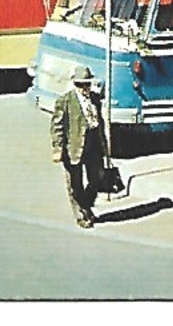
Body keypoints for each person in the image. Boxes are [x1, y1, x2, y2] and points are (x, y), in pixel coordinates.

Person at [50, 65, 108, 228]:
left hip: (93, 144)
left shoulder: (95, 99)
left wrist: (105, 145)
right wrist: (57, 149)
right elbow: (57, 126)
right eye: (80, 85)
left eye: (87, 84)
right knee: (75, 184)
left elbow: (101, 123)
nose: (85, 89)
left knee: (97, 178)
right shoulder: (65, 101)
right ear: (75, 84)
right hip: (73, 147)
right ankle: (81, 215)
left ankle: (86, 205)